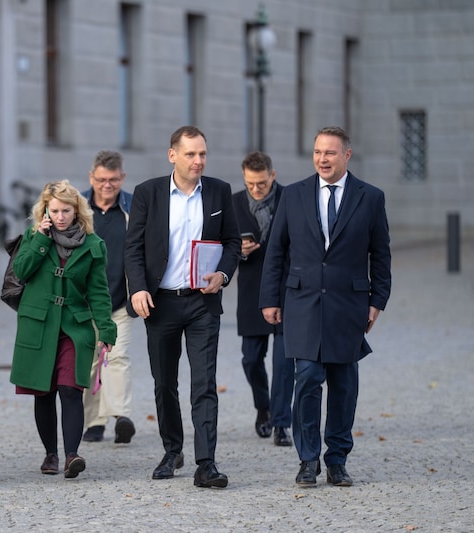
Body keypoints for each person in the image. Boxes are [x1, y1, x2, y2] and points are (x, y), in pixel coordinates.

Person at [260, 126, 391, 487]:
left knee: (344, 386)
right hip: (302, 303)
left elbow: (381, 254)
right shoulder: (294, 195)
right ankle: (307, 460)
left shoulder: (370, 197)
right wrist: (269, 299)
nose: (322, 159)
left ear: (346, 155)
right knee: (307, 382)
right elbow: (276, 252)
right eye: (318, 152)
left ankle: (336, 459)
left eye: (330, 153)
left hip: (350, 306)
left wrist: (377, 301)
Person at [124, 126, 240, 488]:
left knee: (204, 383)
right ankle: (172, 450)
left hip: (202, 302)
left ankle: (206, 464)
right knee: (164, 384)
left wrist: (223, 272)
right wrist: (138, 289)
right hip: (161, 303)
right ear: (172, 155)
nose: (198, 161)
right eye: (191, 154)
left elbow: (233, 242)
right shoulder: (148, 193)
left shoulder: (220, 191)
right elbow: (133, 248)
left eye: (203, 153)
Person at [10, 179, 117, 479]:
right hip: (39, 326)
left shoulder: (94, 245)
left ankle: (72, 455)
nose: (60, 216)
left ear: (77, 211)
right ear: (45, 211)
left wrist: (106, 331)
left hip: (74, 327)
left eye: (66, 211)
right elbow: (21, 271)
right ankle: (50, 454)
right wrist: (42, 240)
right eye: (54, 210)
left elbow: (99, 292)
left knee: (71, 389)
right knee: (42, 393)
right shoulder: (34, 236)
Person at [232, 151, 294, 446]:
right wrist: (238, 252)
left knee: (284, 363)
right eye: (250, 184)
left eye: (261, 184)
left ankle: (282, 423)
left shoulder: (292, 199)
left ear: (273, 175)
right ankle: (263, 407)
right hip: (251, 293)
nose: (255, 190)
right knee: (251, 359)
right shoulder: (233, 203)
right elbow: (221, 248)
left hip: (287, 293)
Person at [81, 150, 136, 445]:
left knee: (118, 358)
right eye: (101, 179)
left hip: (120, 301)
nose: (107, 185)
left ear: (122, 178)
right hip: (85, 303)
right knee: (90, 364)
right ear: (92, 177)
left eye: (113, 180)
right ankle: (94, 422)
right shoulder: (78, 208)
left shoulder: (132, 209)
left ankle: (121, 416)